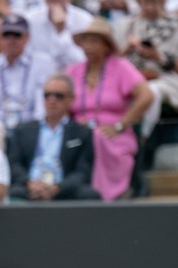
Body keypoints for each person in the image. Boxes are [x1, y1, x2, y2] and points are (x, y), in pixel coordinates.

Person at [65, 17, 154, 202]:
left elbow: (146, 95)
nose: (89, 46)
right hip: (78, 134)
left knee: (97, 138)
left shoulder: (120, 67)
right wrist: (72, 126)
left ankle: (105, 196)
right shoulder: (72, 71)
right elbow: (61, 100)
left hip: (113, 134)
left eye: (94, 41)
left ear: (106, 45)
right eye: (86, 41)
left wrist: (121, 124)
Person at [8, 74, 100, 201]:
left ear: (71, 98)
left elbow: (83, 172)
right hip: (29, 188)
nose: (52, 100)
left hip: (64, 189)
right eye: (47, 95)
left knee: (90, 195)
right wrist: (30, 184)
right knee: (11, 194)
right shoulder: (23, 130)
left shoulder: (81, 133)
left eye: (58, 96)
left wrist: (57, 188)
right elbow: (14, 165)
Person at [117, 0, 178, 136]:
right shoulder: (126, 26)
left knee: (150, 92)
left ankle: (144, 136)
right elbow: (112, 62)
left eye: (154, 3)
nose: (149, 8)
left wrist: (157, 56)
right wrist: (128, 48)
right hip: (131, 79)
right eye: (146, 3)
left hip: (166, 79)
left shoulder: (177, 25)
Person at [0, 15, 56, 132]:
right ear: (0, 37)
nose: (11, 40)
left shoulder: (43, 64)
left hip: (31, 129)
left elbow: (42, 108)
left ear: (27, 37)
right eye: (6, 35)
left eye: (17, 35)